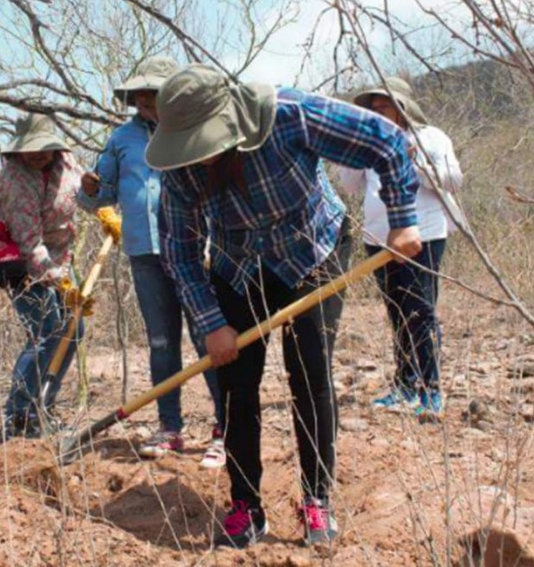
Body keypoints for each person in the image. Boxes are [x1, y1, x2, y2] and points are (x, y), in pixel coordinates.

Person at [146, 64, 421, 548]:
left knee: (309, 373)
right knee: (234, 384)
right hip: (236, 264)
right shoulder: (179, 170)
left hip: (312, 251)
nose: (202, 158)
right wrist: (211, 323)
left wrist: (402, 218)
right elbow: (180, 252)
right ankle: (246, 506)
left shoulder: (291, 115)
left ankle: (317, 500)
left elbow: (386, 140)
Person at [77, 57, 226, 468]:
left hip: (195, 250)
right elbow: (97, 196)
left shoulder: (194, 131)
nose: (145, 100)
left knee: (208, 336)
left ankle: (226, 429)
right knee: (161, 342)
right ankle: (170, 428)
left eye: (154, 93)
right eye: (140, 95)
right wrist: (89, 189)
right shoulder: (121, 139)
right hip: (145, 254)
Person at [339, 77, 463, 419]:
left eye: (384, 107)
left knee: (420, 312)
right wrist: (354, 151)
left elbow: (453, 180)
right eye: (372, 109)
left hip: (423, 234)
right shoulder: (370, 143)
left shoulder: (430, 138)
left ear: (401, 106)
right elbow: (349, 187)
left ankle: (431, 389)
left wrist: (415, 162)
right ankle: (406, 384)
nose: (378, 113)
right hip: (378, 238)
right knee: (397, 312)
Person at [0, 113, 84, 439]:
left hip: (62, 258)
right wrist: (58, 281)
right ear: (17, 151)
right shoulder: (15, 181)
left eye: (43, 148)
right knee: (45, 332)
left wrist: (99, 205)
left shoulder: (67, 163)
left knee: (74, 329)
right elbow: (29, 244)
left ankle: (43, 406)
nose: (37, 155)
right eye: (30, 149)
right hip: (24, 264)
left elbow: (85, 191)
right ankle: (18, 417)